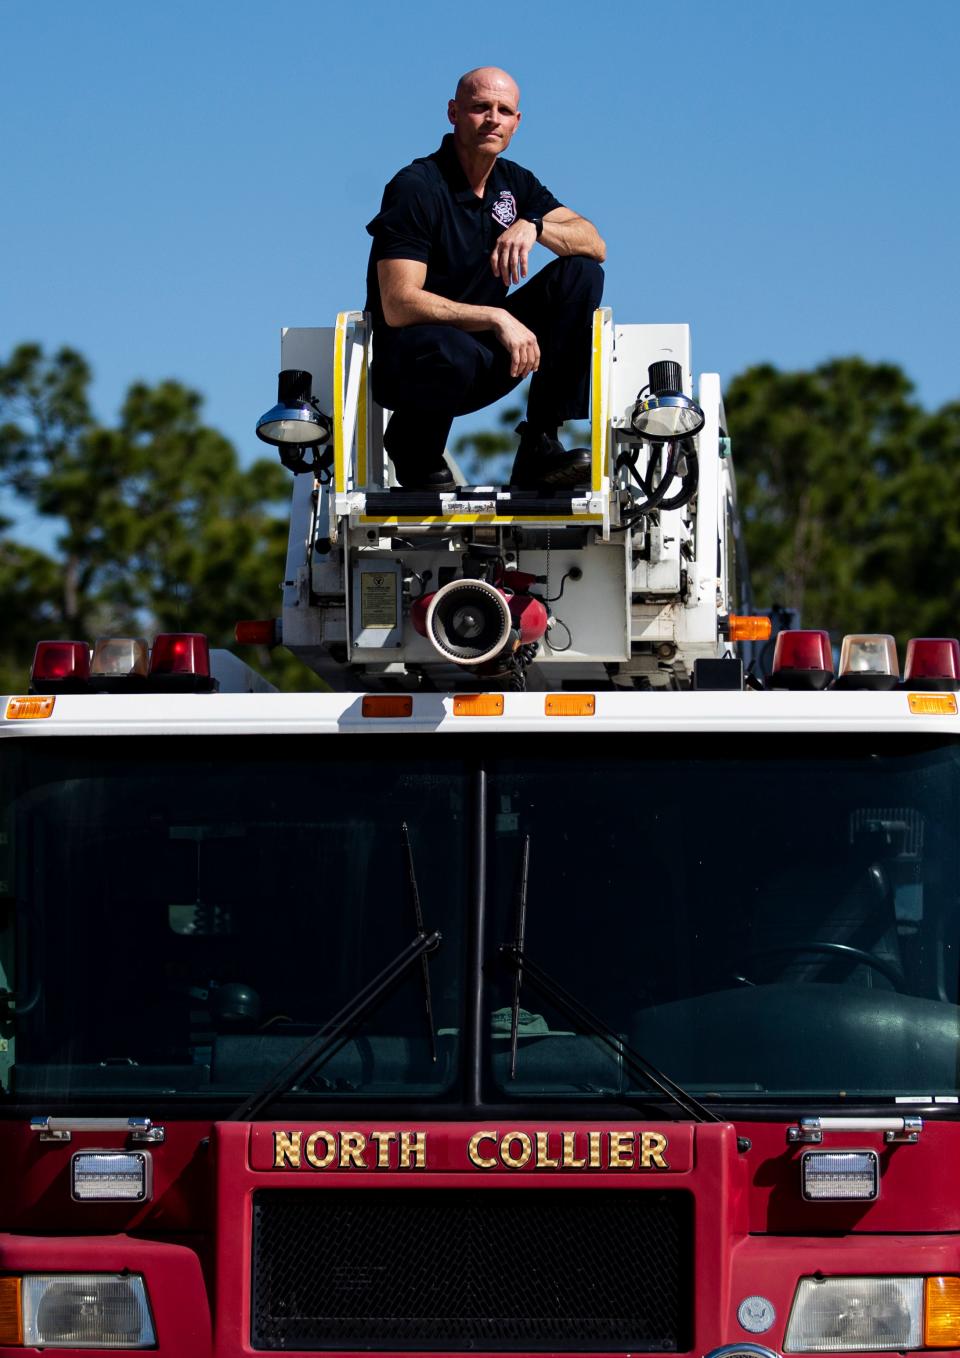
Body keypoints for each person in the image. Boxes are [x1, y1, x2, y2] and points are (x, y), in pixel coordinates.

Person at [365, 66, 606, 491]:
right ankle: (413, 446)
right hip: (416, 362)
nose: (492, 118)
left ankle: (540, 443)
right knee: (451, 349)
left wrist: (535, 226)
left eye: (504, 110)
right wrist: (498, 317)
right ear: (454, 113)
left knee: (580, 273)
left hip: (488, 357)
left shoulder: (514, 184)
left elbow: (594, 244)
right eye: (480, 107)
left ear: (517, 122)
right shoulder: (416, 186)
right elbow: (399, 304)